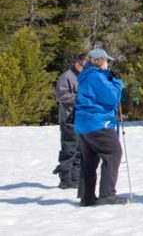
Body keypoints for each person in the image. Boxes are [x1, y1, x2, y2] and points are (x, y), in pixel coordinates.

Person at [75, 48, 126, 206]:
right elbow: (112, 98)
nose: (107, 64)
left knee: (89, 159)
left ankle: (87, 196)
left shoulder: (87, 75)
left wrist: (109, 78)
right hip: (98, 122)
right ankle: (107, 195)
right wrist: (117, 82)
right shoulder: (96, 76)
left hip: (85, 123)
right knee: (113, 152)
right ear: (98, 61)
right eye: (106, 60)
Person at [53, 54, 86, 189]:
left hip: (81, 118)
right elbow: (62, 95)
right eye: (84, 66)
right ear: (78, 63)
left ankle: (76, 178)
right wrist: (79, 98)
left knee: (80, 149)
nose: (85, 69)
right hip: (68, 118)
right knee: (69, 149)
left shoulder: (84, 76)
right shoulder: (66, 76)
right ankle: (65, 179)